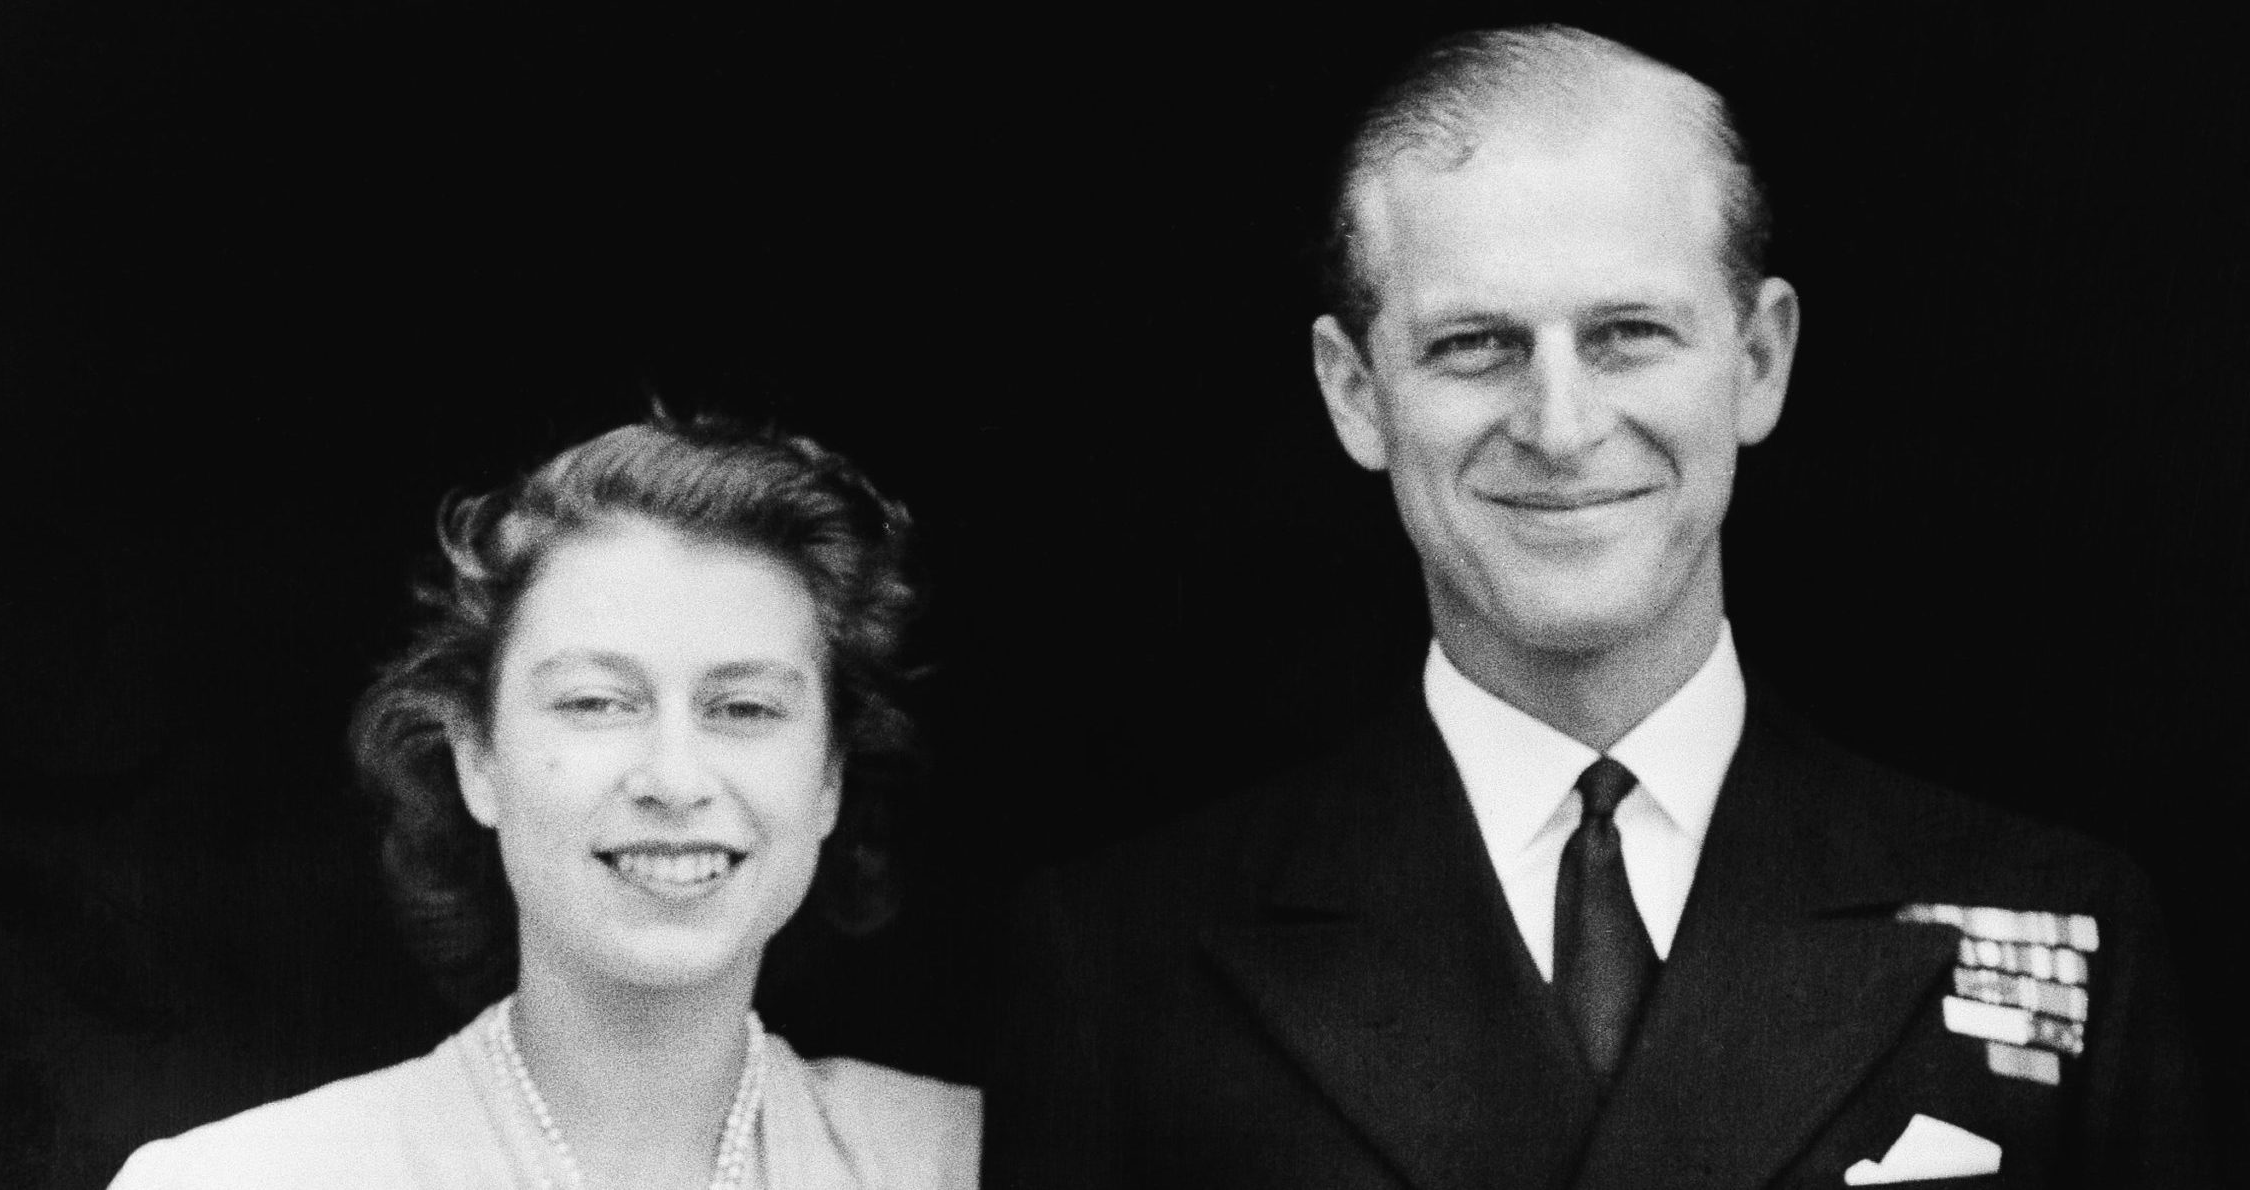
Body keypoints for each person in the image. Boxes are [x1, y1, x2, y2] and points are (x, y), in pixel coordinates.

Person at [985, 24, 2209, 1189]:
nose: (1560, 427)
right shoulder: (1123, 962)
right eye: (1474, 343)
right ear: (1355, 392)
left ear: (1759, 359)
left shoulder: (2063, 922)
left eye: (1628, 332)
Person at [113, 412, 980, 1189]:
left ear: (829, 776)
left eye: (744, 708)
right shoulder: (238, 1179)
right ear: (478, 758)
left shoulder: (964, 1162)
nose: (674, 781)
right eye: (596, 702)